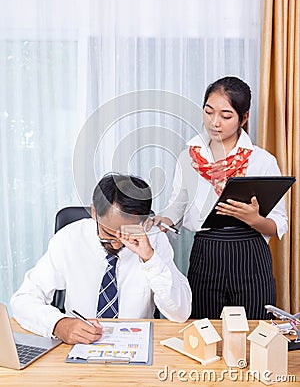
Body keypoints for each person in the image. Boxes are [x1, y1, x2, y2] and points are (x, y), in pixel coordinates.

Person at [147, 76, 288, 320]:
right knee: (204, 333)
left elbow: (278, 224)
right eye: (209, 111)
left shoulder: (262, 160)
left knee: (253, 332)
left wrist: (254, 219)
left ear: (244, 118)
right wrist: (163, 220)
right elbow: (179, 204)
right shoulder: (189, 157)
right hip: (206, 253)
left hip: (251, 255)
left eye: (226, 115)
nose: (214, 122)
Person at [11, 174, 192, 344]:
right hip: (78, 347)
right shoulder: (69, 238)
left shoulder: (154, 241)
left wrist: (150, 259)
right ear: (94, 212)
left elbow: (180, 313)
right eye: (108, 233)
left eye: (125, 236)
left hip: (135, 345)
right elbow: (23, 299)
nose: (115, 245)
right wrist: (58, 324)